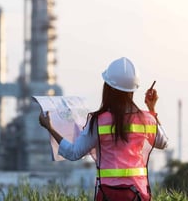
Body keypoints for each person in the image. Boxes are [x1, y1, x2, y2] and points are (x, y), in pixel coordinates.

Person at [39, 57, 168, 201]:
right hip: (138, 195)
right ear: (133, 89)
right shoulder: (147, 120)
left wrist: (50, 127)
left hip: (107, 195)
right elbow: (163, 143)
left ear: (109, 88)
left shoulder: (98, 121)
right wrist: (151, 108)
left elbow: (73, 153)